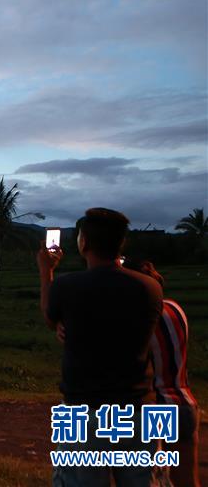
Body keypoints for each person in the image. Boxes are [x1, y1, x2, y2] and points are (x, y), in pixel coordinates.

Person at [38, 208, 163, 486]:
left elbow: (49, 316)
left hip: (83, 408)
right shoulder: (150, 287)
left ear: (83, 243)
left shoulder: (67, 286)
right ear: (121, 244)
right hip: (140, 406)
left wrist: (46, 271)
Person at [124, 259, 200, 487]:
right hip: (185, 403)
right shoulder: (176, 308)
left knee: (149, 480)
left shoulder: (141, 319)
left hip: (154, 409)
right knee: (187, 481)